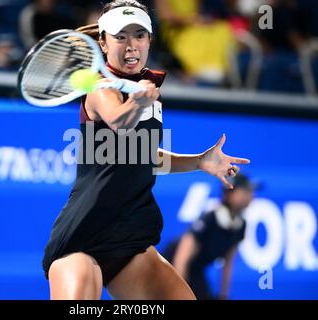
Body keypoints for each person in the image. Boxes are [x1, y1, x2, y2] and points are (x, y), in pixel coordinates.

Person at [42, 0, 250, 300]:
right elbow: (118, 121)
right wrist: (138, 101)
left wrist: (198, 161)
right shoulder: (100, 87)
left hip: (129, 240)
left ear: (149, 40)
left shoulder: (147, 92)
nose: (131, 45)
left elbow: (144, 157)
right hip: (83, 237)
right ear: (102, 42)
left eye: (139, 35)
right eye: (120, 36)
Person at [168, 173, 257, 299]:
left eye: (251, 191)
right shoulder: (209, 219)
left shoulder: (240, 226)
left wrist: (223, 295)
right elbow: (182, 257)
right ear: (229, 194)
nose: (250, 196)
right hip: (171, 267)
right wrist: (178, 292)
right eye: (245, 191)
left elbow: (228, 262)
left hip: (195, 271)